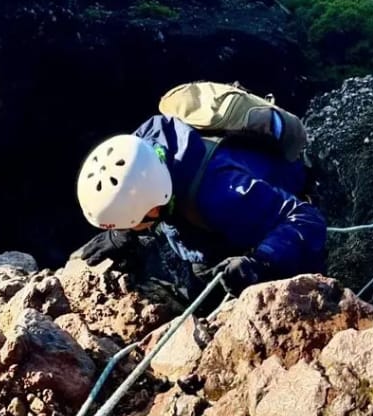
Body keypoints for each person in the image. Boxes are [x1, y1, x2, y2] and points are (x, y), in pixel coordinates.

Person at [74, 110, 326, 297]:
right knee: (203, 278)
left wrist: (261, 262)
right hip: (204, 211)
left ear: (152, 208)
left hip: (267, 194)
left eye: (136, 221)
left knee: (290, 272)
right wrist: (123, 231)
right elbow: (135, 188)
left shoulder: (224, 195)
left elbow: (306, 219)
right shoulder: (142, 149)